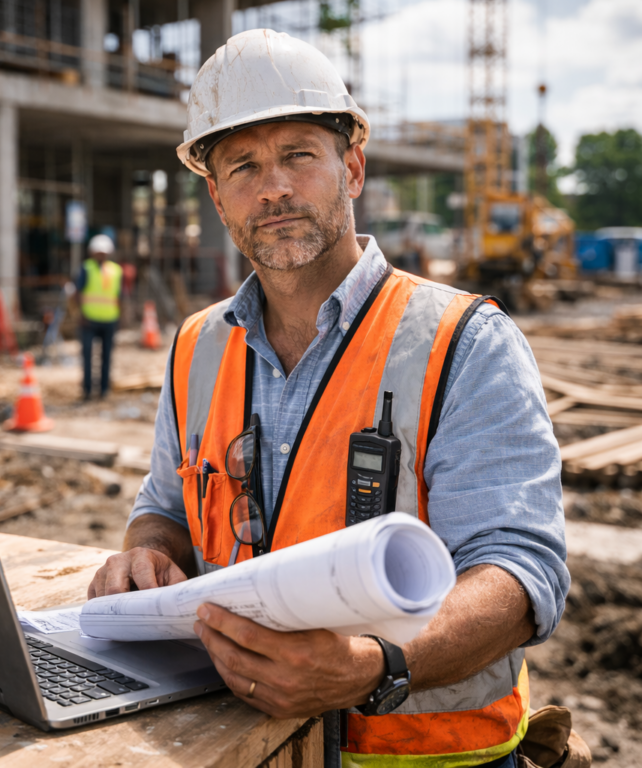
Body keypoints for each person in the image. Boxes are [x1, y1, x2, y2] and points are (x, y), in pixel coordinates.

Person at [88, 30, 569, 768]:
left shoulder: (463, 342)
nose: (273, 187)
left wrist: (378, 665)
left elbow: (519, 572)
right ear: (215, 196)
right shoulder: (196, 347)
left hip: (421, 758)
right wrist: (146, 553)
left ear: (352, 168)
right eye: (243, 165)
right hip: (242, 743)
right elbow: (165, 507)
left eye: (299, 155)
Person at [76, 234, 122, 400]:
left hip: (109, 319)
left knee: (107, 356)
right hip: (89, 320)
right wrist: (80, 314)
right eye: (98, 252)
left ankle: (104, 390)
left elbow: (119, 296)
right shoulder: (86, 268)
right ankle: (87, 390)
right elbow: (78, 294)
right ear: (92, 253)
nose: (101, 255)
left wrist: (120, 317)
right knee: (87, 356)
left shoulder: (116, 270)